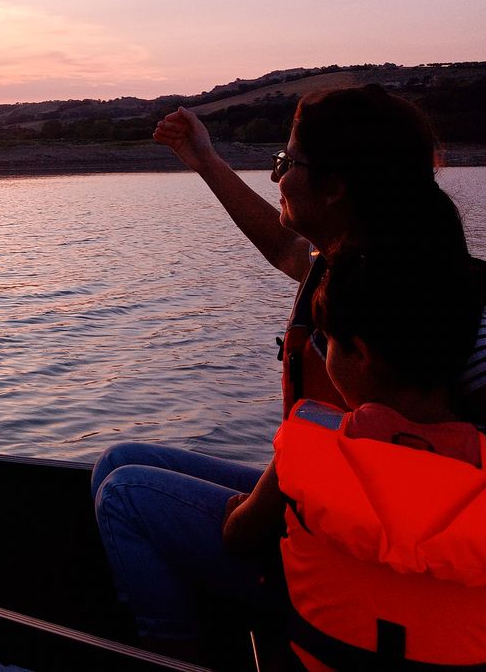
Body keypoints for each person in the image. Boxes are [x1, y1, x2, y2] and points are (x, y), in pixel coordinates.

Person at [94, 247, 486, 666]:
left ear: (361, 353)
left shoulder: (316, 444)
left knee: (123, 491)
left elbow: (237, 534)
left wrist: (245, 509)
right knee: (119, 460)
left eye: (327, 342)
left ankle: (172, 658)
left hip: (309, 611)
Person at [152, 85, 485, 419]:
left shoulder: (454, 319)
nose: (273, 176)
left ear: (333, 188)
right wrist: (206, 161)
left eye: (286, 163)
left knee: (129, 474)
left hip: (380, 469)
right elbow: (284, 246)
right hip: (330, 467)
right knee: (124, 460)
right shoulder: (351, 268)